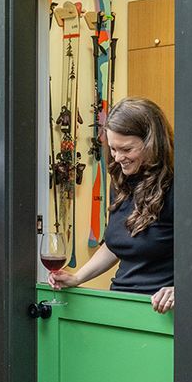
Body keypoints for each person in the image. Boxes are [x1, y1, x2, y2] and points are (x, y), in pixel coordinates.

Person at [49, 96, 175, 313]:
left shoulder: (178, 186)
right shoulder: (122, 180)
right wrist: (77, 277)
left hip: (160, 311)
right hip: (120, 302)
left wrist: (182, 289)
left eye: (126, 149)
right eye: (113, 149)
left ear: (152, 142)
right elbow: (115, 244)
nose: (117, 158)